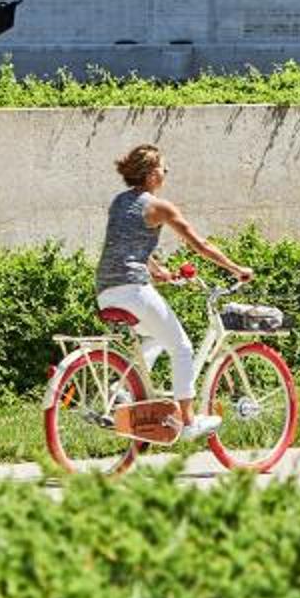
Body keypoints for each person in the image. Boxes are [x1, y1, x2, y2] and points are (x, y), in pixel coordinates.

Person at [96, 143, 252, 441]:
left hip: (106, 290)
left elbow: (124, 247)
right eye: (163, 168)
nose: (166, 173)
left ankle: (122, 392)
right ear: (151, 174)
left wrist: (158, 271)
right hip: (133, 290)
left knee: (156, 336)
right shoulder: (159, 207)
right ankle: (189, 421)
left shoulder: (118, 202)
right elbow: (200, 244)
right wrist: (236, 269)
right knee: (182, 348)